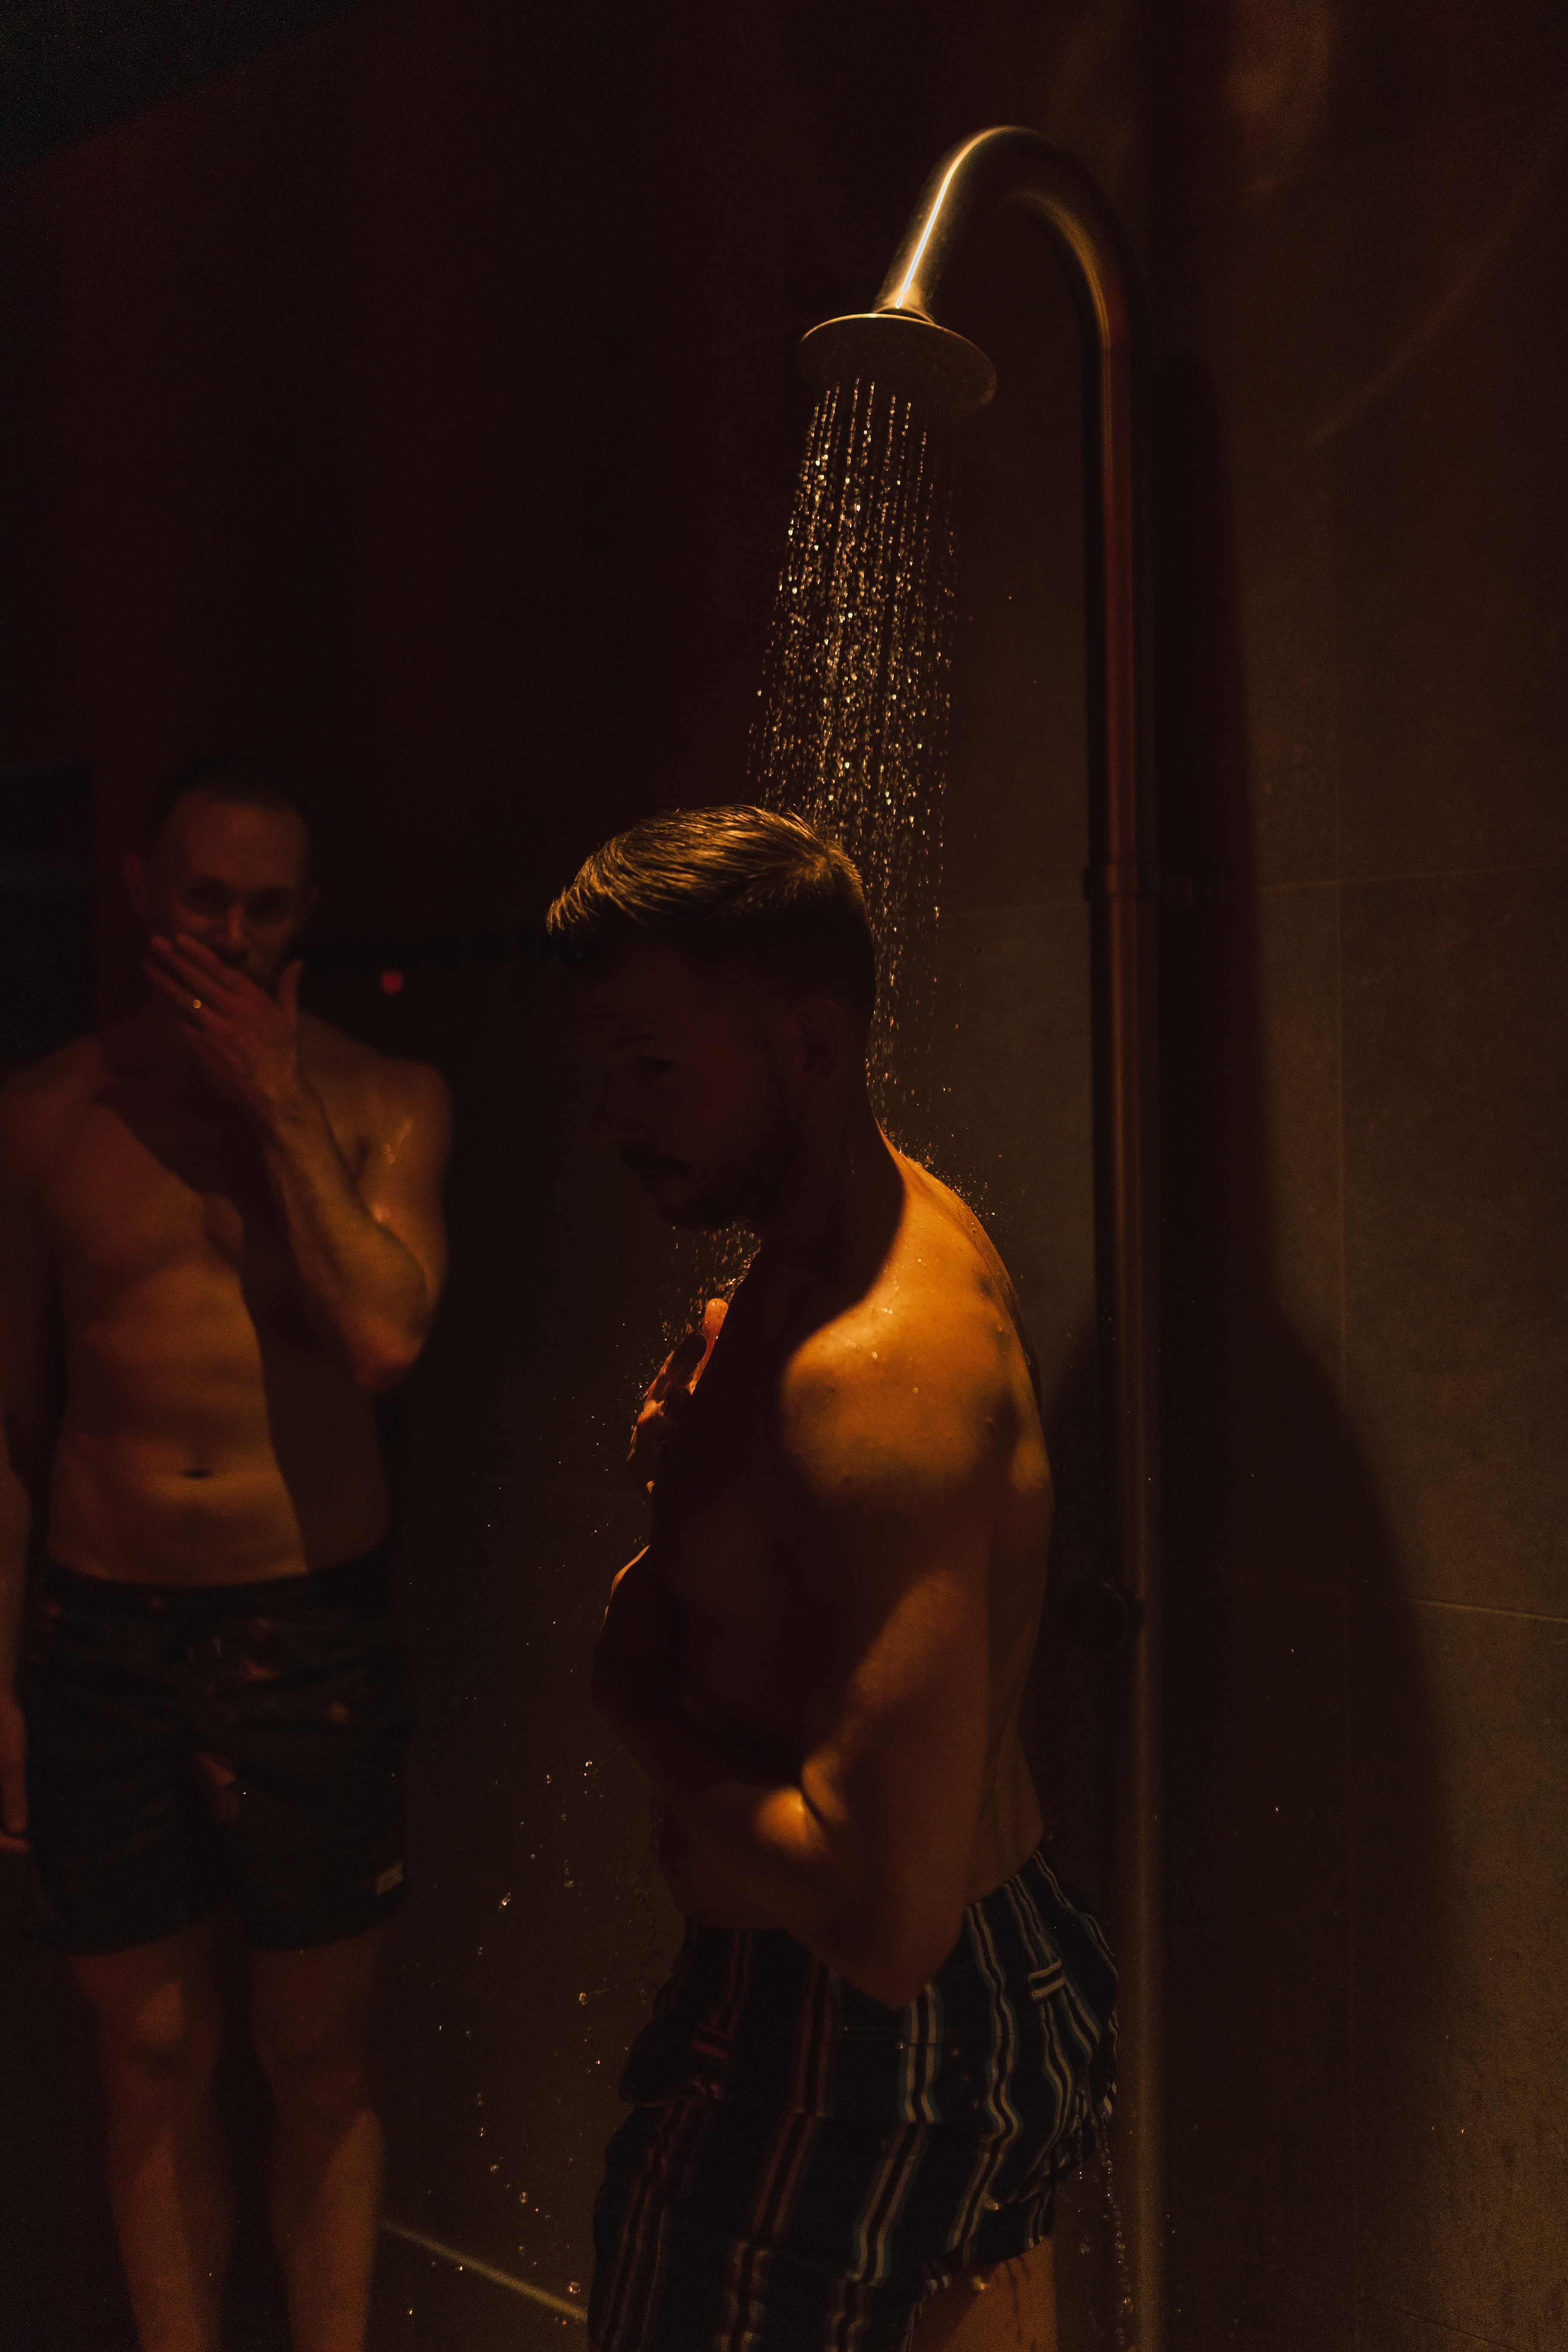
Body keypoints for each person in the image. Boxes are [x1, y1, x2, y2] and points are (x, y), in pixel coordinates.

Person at [546, 806, 1116, 2352]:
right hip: (954, 1996)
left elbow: (882, 1920)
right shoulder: (842, 1252)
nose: (607, 1120)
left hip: (852, 2030)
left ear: (809, 1043)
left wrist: (636, 1698)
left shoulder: (876, 1377)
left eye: (651, 1067)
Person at [0, 756, 451, 2352]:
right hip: (102, 1630)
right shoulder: (46, 1116)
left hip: (306, 1629)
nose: (237, 938)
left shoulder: (388, 1100)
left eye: (267, 910)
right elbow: (11, 1424)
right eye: (207, 901)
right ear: (146, 892)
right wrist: (4, 1692)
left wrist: (275, 1107)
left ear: (306, 915)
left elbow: (385, 1337)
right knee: (145, 2056)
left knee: (316, 2059)